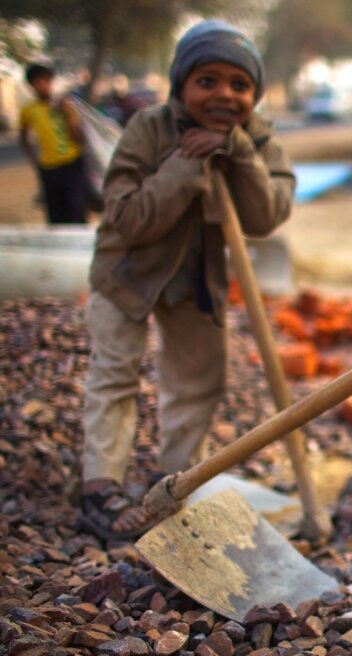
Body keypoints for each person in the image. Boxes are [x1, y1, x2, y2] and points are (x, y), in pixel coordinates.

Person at [78, 20, 295, 542]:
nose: (224, 94)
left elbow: (267, 216)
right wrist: (183, 164)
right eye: (208, 81)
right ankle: (99, 489)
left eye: (239, 85)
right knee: (115, 373)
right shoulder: (150, 129)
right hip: (127, 272)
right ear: (181, 85)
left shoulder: (259, 138)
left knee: (200, 378)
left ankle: (172, 482)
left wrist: (239, 152)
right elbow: (127, 218)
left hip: (197, 278)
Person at [18, 63, 90, 225]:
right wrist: (34, 159)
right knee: (55, 215)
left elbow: (79, 138)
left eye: (45, 81)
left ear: (51, 82)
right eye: (37, 82)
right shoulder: (29, 110)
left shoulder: (66, 105)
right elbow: (23, 136)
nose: (42, 85)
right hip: (48, 168)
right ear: (32, 85)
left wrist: (68, 118)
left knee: (76, 211)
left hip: (72, 164)